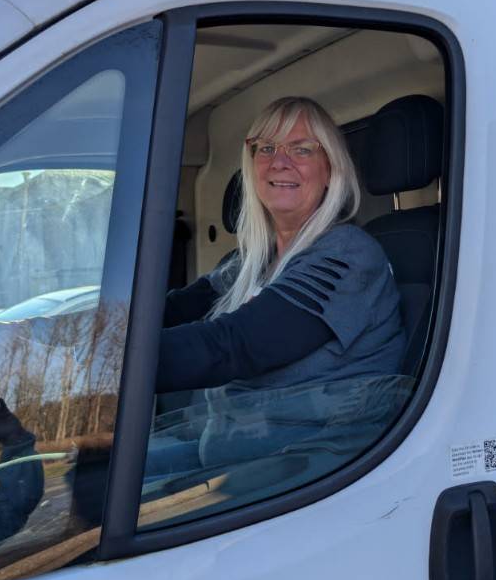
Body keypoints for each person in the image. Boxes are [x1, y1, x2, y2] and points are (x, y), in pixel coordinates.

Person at [146, 96, 409, 482]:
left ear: (330, 169)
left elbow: (234, 346)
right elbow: (167, 312)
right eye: (266, 148)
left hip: (316, 473)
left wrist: (105, 365)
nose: (279, 161)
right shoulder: (250, 261)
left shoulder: (349, 255)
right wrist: (60, 338)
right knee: (92, 480)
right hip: (236, 458)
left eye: (301, 149)